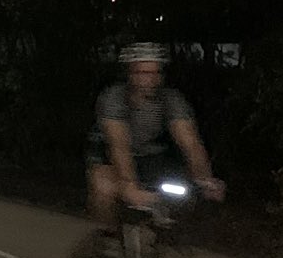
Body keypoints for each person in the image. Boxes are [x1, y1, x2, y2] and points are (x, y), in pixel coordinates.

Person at [87, 44, 225, 241]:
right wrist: (129, 185)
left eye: (155, 72)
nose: (150, 79)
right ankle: (109, 237)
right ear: (129, 74)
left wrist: (206, 179)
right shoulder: (113, 98)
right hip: (108, 154)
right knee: (105, 189)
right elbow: (118, 146)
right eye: (143, 73)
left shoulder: (171, 99)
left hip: (149, 154)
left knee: (174, 194)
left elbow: (191, 142)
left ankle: (158, 239)